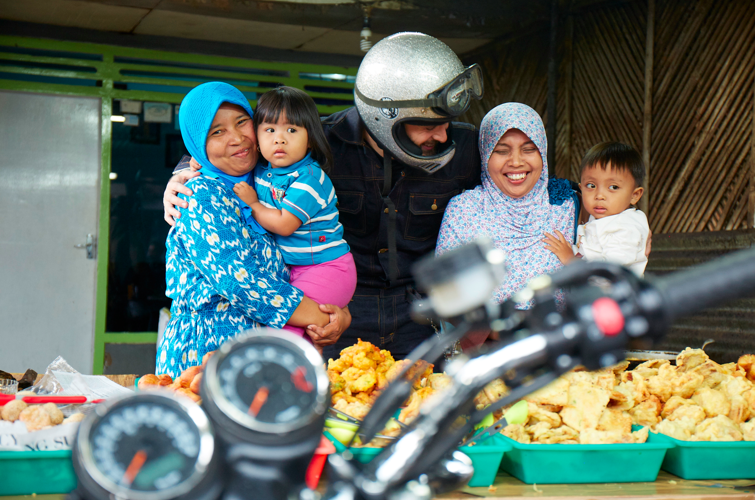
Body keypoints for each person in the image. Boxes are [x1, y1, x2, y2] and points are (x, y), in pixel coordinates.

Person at [164, 33, 483, 361]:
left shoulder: (461, 147)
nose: (442, 135)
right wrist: (179, 176)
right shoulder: (314, 145)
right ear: (386, 117)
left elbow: (525, 171)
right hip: (331, 314)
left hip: (415, 318)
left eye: (446, 123)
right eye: (427, 125)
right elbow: (232, 153)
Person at [157, 82, 350, 377]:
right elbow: (243, 283)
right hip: (209, 356)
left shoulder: (267, 184)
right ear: (198, 144)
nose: (237, 139)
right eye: (216, 132)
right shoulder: (201, 196)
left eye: (241, 122)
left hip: (268, 354)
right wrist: (322, 318)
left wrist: (340, 315)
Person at [232, 86, 357, 340]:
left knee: (284, 327)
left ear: (310, 138)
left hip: (328, 269)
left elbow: (285, 225)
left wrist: (254, 204)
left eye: (292, 130)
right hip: (298, 268)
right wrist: (190, 165)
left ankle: (292, 379)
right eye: (270, 130)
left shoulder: (310, 179)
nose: (279, 139)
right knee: (300, 331)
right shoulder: (262, 170)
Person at [436, 102, 579, 309]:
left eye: (529, 149)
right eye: (502, 151)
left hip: (559, 338)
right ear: (485, 155)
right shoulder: (464, 211)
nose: (516, 162)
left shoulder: (567, 207)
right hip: (487, 340)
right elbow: (446, 290)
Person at [543, 142, 649, 276]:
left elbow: (609, 273)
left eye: (613, 187)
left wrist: (571, 260)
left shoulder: (627, 228)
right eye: (591, 185)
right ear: (581, 189)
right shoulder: (600, 219)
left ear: (635, 195)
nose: (599, 195)